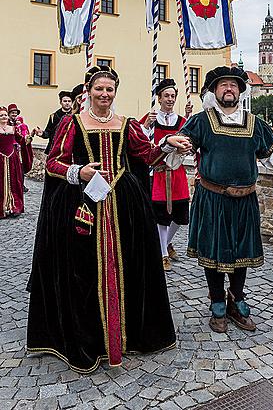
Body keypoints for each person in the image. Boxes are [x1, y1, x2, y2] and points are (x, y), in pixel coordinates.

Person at [27, 65, 192, 373]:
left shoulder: (127, 123)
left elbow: (147, 156)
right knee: (83, 271)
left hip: (124, 205)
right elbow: (52, 163)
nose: (104, 95)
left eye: (110, 90)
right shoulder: (71, 123)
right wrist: (79, 172)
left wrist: (168, 144)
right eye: (99, 89)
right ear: (89, 91)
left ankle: (127, 337)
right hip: (84, 204)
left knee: (128, 266)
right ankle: (89, 339)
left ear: (115, 92)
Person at [168, 66, 273, 333]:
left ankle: (237, 300)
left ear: (240, 90)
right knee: (213, 252)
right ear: (214, 91)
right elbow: (180, 145)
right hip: (212, 198)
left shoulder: (254, 123)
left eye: (234, 85)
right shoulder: (202, 121)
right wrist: (175, 143)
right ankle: (216, 302)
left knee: (241, 252)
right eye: (223, 85)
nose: (229, 89)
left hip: (245, 199)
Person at [140, 78, 192, 271]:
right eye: (166, 96)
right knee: (161, 215)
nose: (170, 99)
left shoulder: (181, 121)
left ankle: (165, 243)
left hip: (177, 173)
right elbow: (141, 144)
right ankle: (162, 254)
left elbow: (190, 141)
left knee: (180, 216)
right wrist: (146, 126)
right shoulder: (151, 119)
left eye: (172, 96)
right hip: (159, 173)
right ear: (159, 98)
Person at [0, 106, 33, 218]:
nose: (4, 117)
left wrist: (29, 137)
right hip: (0, 158)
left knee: (14, 182)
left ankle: (14, 207)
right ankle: (2, 207)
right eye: (1, 115)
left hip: (12, 158)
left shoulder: (13, 128)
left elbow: (22, 140)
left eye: (5, 115)